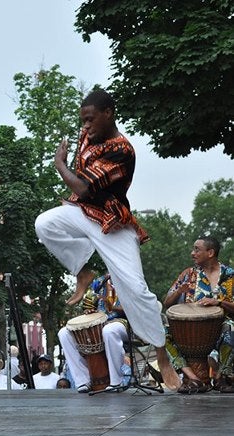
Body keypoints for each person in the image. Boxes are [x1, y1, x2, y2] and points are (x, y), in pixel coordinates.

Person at [34, 89, 181, 391]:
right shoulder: (88, 134)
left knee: (136, 291)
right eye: (82, 121)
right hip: (83, 213)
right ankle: (82, 271)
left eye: (90, 120)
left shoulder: (122, 149)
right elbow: (82, 196)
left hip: (112, 224)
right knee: (45, 224)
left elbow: (84, 187)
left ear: (109, 113)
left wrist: (60, 164)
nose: (85, 126)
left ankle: (162, 355)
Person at [162, 236, 234, 393]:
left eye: (196, 249)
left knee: (231, 328)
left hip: (221, 326)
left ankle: (221, 377)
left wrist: (219, 303)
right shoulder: (188, 274)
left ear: (210, 252)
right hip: (191, 330)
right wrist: (178, 292)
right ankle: (192, 378)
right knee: (162, 334)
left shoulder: (229, 275)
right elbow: (167, 303)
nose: (192, 253)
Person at [58, 273, 130, 393]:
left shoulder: (130, 279)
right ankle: (83, 381)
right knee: (63, 333)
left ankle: (116, 381)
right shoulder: (101, 281)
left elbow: (136, 309)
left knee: (109, 330)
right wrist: (89, 310)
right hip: (99, 322)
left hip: (122, 322)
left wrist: (112, 307)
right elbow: (89, 302)